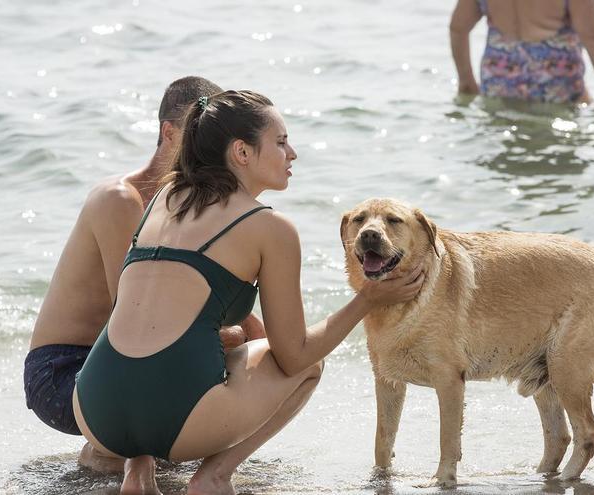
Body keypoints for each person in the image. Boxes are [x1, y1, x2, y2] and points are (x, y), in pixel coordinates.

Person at [72, 90, 425, 495]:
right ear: (241, 152)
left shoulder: (164, 199)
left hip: (94, 408)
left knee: (172, 334)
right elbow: (295, 356)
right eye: (280, 142)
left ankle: (138, 474)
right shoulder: (269, 228)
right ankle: (213, 477)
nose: (292, 153)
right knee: (310, 368)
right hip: (173, 420)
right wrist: (367, 299)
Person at [22, 76, 261, 473]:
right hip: (61, 374)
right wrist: (233, 337)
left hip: (119, 364)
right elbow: (137, 321)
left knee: (253, 349)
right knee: (227, 343)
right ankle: (109, 450)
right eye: (197, 134)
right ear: (169, 132)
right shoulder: (120, 200)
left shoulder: (182, 206)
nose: (209, 150)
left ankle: (161, 452)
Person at [450, 0, 594, 106]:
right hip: (555, 86)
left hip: (499, 82)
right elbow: (593, 38)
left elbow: (458, 28)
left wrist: (466, 81)